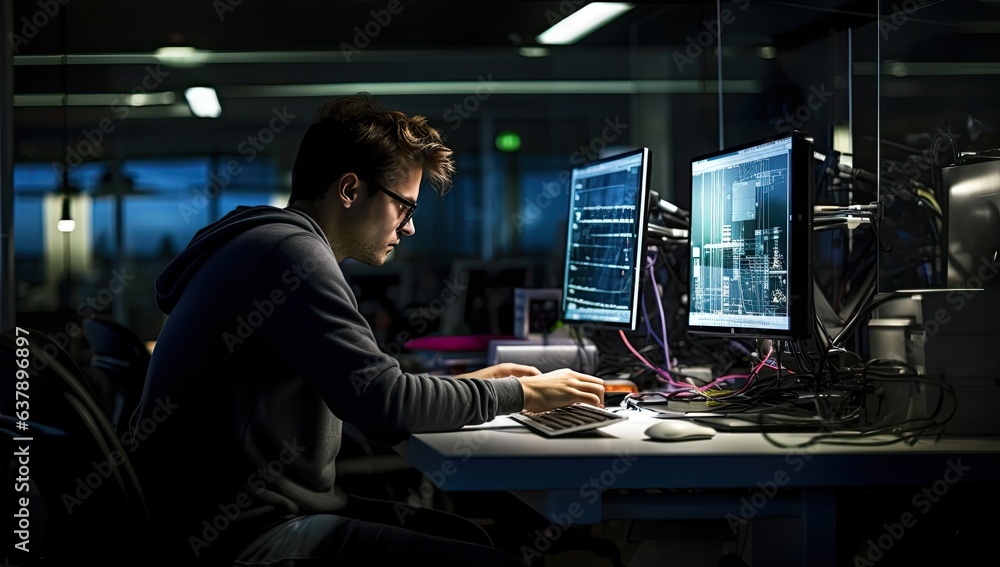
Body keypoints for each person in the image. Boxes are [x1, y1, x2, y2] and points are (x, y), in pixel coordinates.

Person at [128, 92, 605, 566]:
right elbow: (383, 408)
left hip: (225, 517)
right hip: (242, 537)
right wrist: (523, 395)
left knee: (459, 532)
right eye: (405, 207)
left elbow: (369, 391)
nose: (410, 228)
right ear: (351, 190)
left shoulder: (261, 242)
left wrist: (463, 389)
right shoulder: (291, 257)